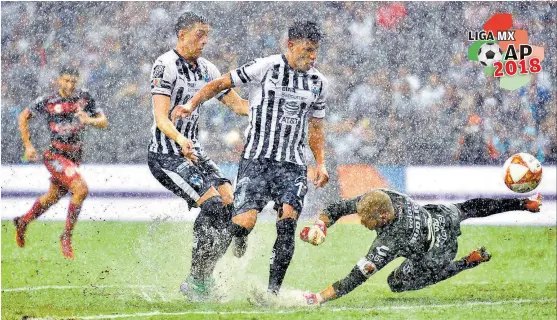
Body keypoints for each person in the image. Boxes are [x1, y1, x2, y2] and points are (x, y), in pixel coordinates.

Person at [174, 20, 330, 295]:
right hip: (257, 161)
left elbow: (316, 127)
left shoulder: (319, 83)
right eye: (307, 50)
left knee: (287, 223)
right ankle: (200, 277)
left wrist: (320, 163)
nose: (313, 57)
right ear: (291, 46)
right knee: (242, 224)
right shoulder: (266, 67)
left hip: (293, 164)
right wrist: (191, 103)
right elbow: (220, 83)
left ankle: (272, 294)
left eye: (316, 51)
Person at [147, 12, 248, 301]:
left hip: (194, 152)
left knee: (232, 207)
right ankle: (196, 280)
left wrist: (270, 110)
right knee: (214, 207)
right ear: (182, 34)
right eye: (199, 34)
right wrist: (180, 139)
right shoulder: (165, 65)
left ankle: (203, 276)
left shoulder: (207, 69)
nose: (205, 41)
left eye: (207, 35)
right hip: (166, 153)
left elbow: (238, 105)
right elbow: (160, 117)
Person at [300, 188, 543, 305]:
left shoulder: (390, 241)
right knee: (468, 208)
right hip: (440, 216)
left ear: (384, 217)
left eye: (368, 220)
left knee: (395, 283)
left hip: (440, 251)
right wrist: (321, 224)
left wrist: (318, 298)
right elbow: (476, 205)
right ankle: (523, 204)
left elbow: (355, 278)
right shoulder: (384, 196)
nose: (362, 222)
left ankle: (466, 262)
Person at [13, 67, 108, 259]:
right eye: (66, 81)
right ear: (58, 80)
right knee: (81, 189)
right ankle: (66, 236)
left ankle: (23, 221)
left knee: (52, 197)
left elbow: (104, 121)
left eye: (73, 81)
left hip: (74, 157)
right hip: (55, 155)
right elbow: (23, 116)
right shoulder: (48, 101)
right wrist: (28, 146)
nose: (70, 85)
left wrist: (88, 120)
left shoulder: (84, 98)